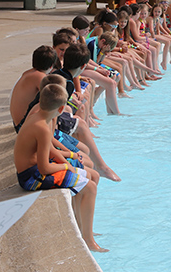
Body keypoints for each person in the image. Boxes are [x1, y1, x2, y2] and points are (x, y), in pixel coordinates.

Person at [13, 83, 106, 252]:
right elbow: (44, 168)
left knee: (93, 176)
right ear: (62, 108)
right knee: (90, 187)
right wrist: (65, 166)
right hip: (32, 178)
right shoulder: (42, 127)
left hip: (33, 171)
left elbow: (48, 151)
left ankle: (83, 228)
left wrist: (67, 160)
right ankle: (88, 240)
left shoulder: (39, 117)